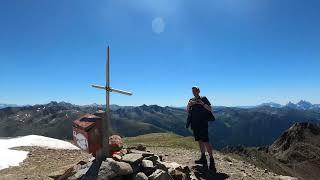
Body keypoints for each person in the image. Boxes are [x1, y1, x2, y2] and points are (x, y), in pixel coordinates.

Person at [186, 86, 216, 172]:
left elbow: (210, 109)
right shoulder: (191, 100)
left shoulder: (204, 98)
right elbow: (187, 111)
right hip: (195, 124)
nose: (194, 92)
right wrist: (189, 104)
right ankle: (203, 158)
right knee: (199, 140)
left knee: (206, 141)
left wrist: (201, 103)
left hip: (203, 123)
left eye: (195, 90)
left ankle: (211, 160)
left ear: (199, 91)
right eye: (193, 91)